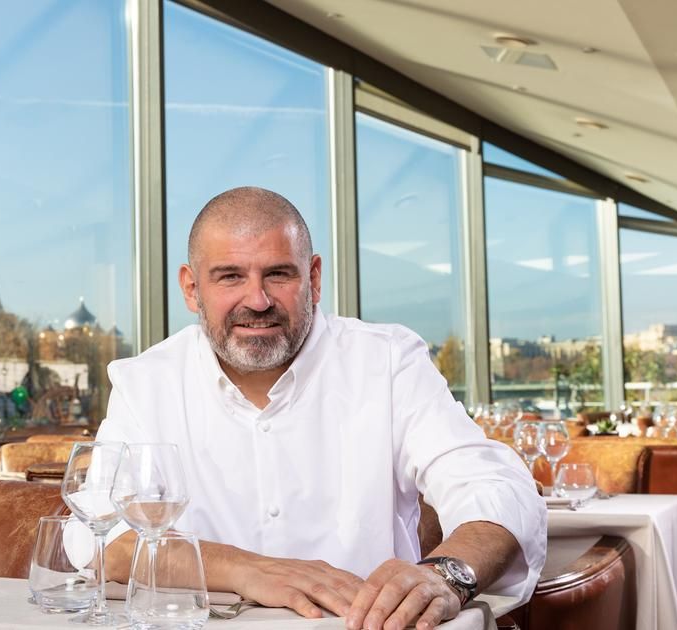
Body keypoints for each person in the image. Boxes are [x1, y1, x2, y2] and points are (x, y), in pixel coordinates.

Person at [96, 186, 546, 630]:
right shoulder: (145, 383)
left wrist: (445, 576)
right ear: (192, 288)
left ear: (313, 279)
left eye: (278, 274)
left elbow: (495, 486)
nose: (258, 300)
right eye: (230, 276)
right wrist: (247, 569)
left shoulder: (388, 361)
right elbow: (102, 536)